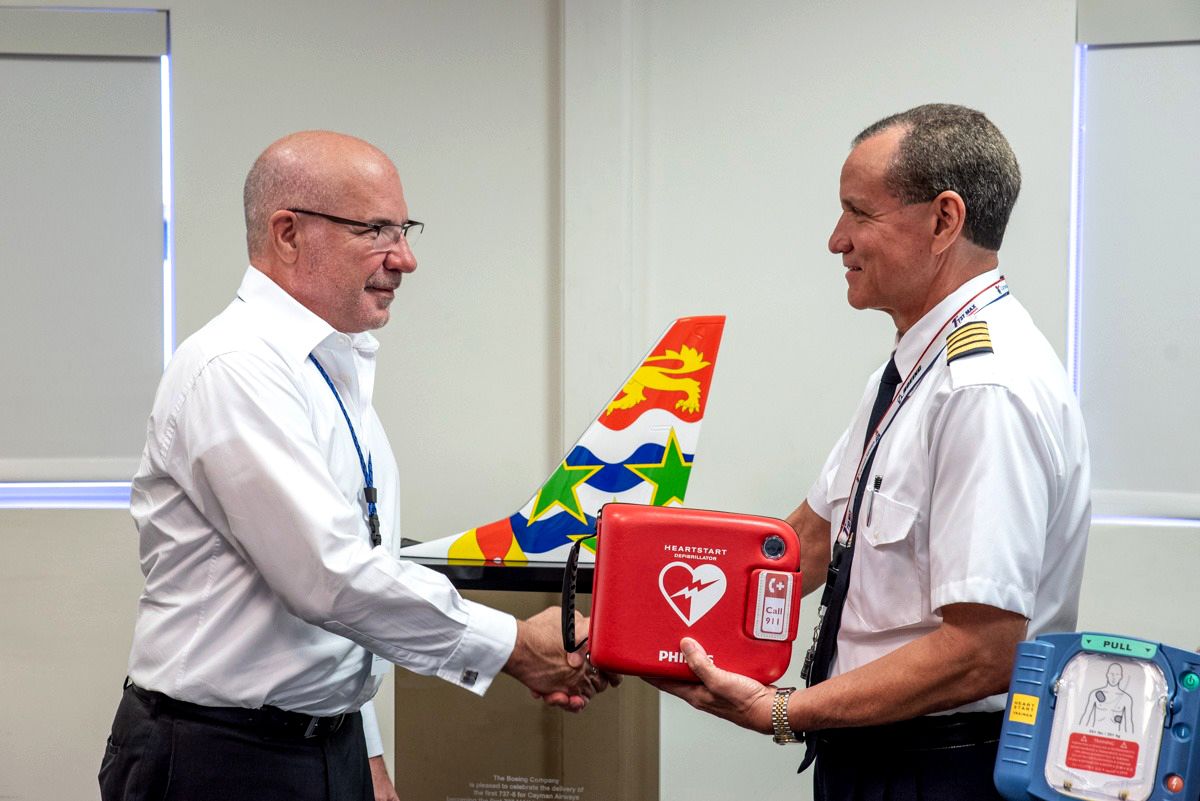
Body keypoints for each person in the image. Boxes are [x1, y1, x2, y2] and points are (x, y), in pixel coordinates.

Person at [99, 130, 609, 801]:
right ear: (288, 234)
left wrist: (362, 750)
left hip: (319, 746)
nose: (407, 258)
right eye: (376, 230)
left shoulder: (332, 371)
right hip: (221, 758)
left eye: (404, 228)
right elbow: (328, 574)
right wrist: (515, 645)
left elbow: (349, 586)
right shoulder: (236, 369)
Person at [651, 104, 1091, 800]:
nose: (836, 239)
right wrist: (631, 627)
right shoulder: (916, 369)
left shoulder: (985, 387)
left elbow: (982, 651)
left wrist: (781, 712)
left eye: (859, 212)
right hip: (875, 758)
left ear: (944, 220)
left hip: (941, 769)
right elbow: (805, 543)